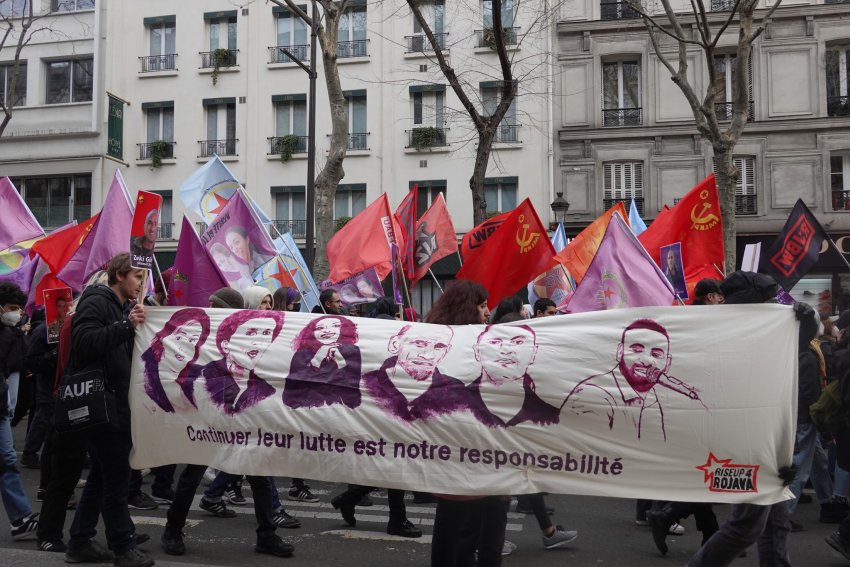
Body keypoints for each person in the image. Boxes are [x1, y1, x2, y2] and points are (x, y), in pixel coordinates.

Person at [687, 270, 801, 567]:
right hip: (745, 443)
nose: (770, 306)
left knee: (776, 522)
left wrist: (805, 318)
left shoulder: (768, 330)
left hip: (769, 439)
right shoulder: (723, 334)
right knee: (746, 525)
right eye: (763, 300)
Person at [64, 253, 153, 567]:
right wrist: (126, 325)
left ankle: (80, 540)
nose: (140, 284)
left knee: (103, 476)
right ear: (119, 276)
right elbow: (85, 343)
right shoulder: (96, 301)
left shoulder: (120, 307)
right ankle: (121, 546)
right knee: (116, 476)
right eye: (137, 278)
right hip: (101, 405)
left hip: (115, 403)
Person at [424, 280, 507, 567]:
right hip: (462, 448)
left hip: (478, 449)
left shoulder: (487, 341)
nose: (487, 312)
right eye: (482, 306)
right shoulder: (444, 345)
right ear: (466, 309)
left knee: (459, 523)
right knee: (469, 522)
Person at [563, 318, 704, 441]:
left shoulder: (653, 399)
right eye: (636, 350)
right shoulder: (592, 393)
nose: (646, 360)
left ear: (667, 363)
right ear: (620, 352)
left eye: (656, 354)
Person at [0, 282, 39, 543]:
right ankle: (21, 517)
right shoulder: (6, 332)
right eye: (12, 308)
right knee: (6, 460)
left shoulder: (9, 331)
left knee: (6, 460)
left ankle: (21, 518)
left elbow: (18, 359)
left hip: (2, 404)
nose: (16, 313)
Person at [362, 324, 465, 423]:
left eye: (439, 346)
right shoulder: (364, 384)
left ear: (447, 351)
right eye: (419, 344)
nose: (428, 356)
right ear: (395, 344)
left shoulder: (456, 390)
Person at [466, 323, 560, 428]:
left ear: (534, 352)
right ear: (477, 351)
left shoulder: (551, 416)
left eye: (518, 342)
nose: (506, 350)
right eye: (494, 342)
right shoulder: (453, 402)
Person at [202, 310, 281, 415]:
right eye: (251, 333)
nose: (259, 342)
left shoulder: (267, 391)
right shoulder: (201, 376)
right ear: (225, 345)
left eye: (267, 333)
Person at [282, 315, 361, 409]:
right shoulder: (301, 355)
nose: (327, 330)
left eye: (335, 326)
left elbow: (353, 400)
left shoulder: (352, 351)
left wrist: (341, 363)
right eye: (320, 328)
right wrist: (317, 360)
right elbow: (290, 398)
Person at [140, 309, 210, 413]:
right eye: (179, 337)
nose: (183, 348)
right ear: (164, 337)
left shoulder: (197, 377)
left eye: (193, 341)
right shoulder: (143, 371)